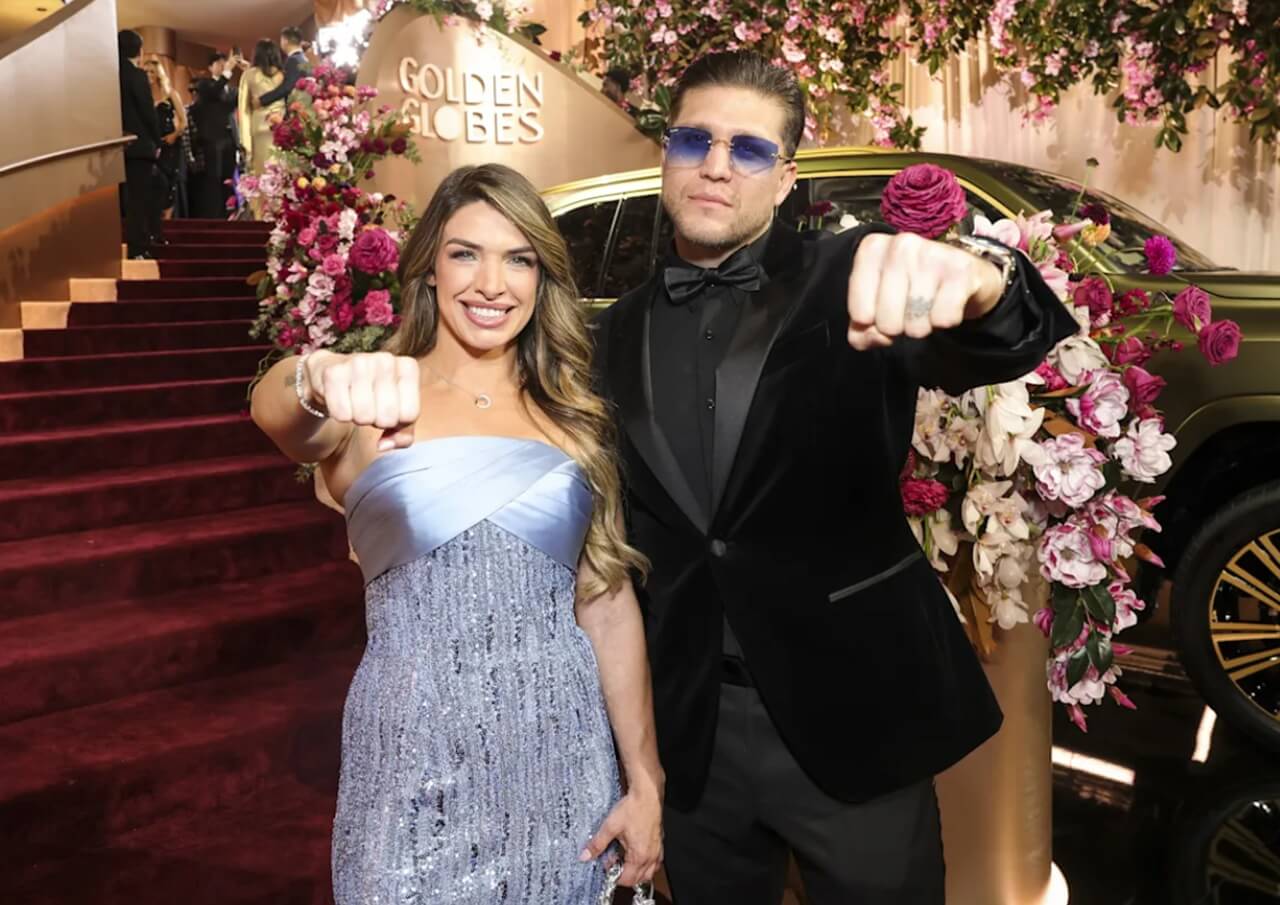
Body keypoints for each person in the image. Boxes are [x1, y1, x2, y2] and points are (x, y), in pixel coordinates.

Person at [589, 51, 1079, 904]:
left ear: (784, 179)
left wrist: (976, 277)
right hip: (691, 730)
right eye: (693, 138)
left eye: (747, 149)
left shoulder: (854, 271)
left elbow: (1008, 334)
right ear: (664, 151)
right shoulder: (609, 332)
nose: (714, 165)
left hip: (853, 710)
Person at [250, 164, 663, 903]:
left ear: (543, 277)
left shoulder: (572, 419)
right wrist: (313, 375)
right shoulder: (376, 394)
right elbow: (279, 416)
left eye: (519, 258)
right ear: (430, 270)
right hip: (411, 767)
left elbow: (605, 603)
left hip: (562, 767)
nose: (492, 283)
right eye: (466, 253)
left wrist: (644, 779)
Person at [117, 30, 163, 259]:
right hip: (138, 145)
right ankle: (137, 248)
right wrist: (156, 140)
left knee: (117, 200)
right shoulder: (136, 76)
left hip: (113, 145)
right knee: (138, 200)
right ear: (138, 50)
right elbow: (147, 112)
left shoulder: (108, 75)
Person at [189, 51, 243, 218]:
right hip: (212, 141)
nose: (223, 67)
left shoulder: (232, 91)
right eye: (219, 64)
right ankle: (214, 216)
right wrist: (227, 72)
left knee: (228, 179)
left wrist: (247, 72)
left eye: (224, 64)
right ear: (210, 67)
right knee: (214, 180)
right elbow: (214, 92)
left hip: (229, 140)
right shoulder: (205, 85)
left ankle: (229, 213)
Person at [237, 39, 285, 212]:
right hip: (282, 131)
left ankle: (262, 216)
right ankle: (280, 216)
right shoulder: (283, 75)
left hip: (259, 130)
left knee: (262, 176)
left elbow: (243, 110)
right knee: (280, 175)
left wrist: (245, 142)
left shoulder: (249, 75)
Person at [144, 56, 189, 222]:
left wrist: (174, 135)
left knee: (169, 182)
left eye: (152, 71)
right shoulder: (143, 95)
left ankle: (168, 221)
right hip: (152, 144)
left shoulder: (170, 94)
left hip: (170, 144)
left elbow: (183, 121)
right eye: (146, 71)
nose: (149, 75)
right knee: (154, 182)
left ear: (158, 73)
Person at [258, 26, 308, 109]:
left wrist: (262, 100)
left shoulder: (293, 60)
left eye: (281, 40)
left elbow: (287, 87)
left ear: (285, 41)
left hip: (297, 109)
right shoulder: (305, 59)